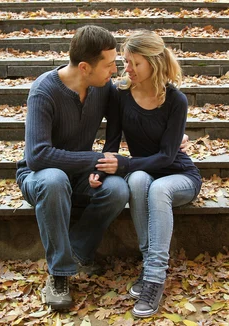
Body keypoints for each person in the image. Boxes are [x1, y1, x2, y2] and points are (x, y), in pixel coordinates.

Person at [15, 25, 130, 311]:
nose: (114, 70)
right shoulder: (44, 91)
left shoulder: (103, 90)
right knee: (54, 181)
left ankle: (76, 252)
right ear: (84, 67)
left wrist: (102, 169)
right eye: (108, 64)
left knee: (117, 188)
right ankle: (59, 274)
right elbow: (38, 157)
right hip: (39, 177)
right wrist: (92, 160)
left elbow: (116, 135)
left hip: (80, 176)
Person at [90, 30, 202, 318]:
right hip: (144, 172)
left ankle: (154, 277)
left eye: (134, 63)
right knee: (139, 181)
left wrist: (125, 165)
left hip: (179, 175)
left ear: (153, 62)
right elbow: (112, 142)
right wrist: (100, 171)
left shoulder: (176, 101)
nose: (127, 69)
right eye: (125, 62)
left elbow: (167, 156)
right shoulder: (121, 95)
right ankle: (150, 263)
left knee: (157, 189)